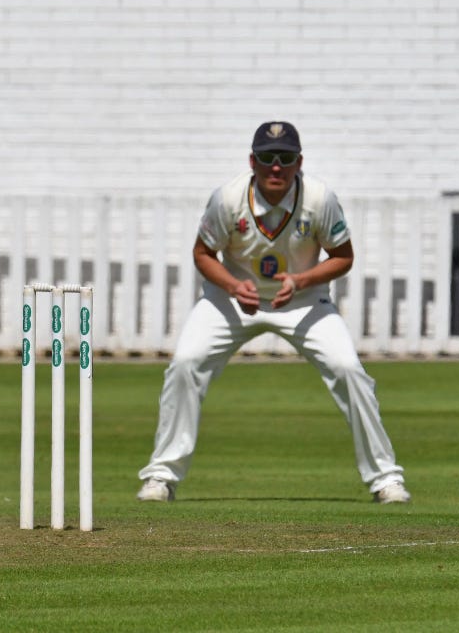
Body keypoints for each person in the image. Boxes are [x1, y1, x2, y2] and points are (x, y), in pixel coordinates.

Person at [136, 121, 410, 505]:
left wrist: (300, 280)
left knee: (349, 369)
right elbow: (202, 253)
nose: (276, 166)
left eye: (285, 157)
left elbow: (343, 257)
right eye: (267, 157)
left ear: (299, 162)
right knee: (185, 363)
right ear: (252, 161)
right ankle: (161, 477)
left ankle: (386, 479)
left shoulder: (320, 198)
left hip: (303, 300)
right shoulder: (227, 199)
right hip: (231, 299)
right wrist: (234, 286)